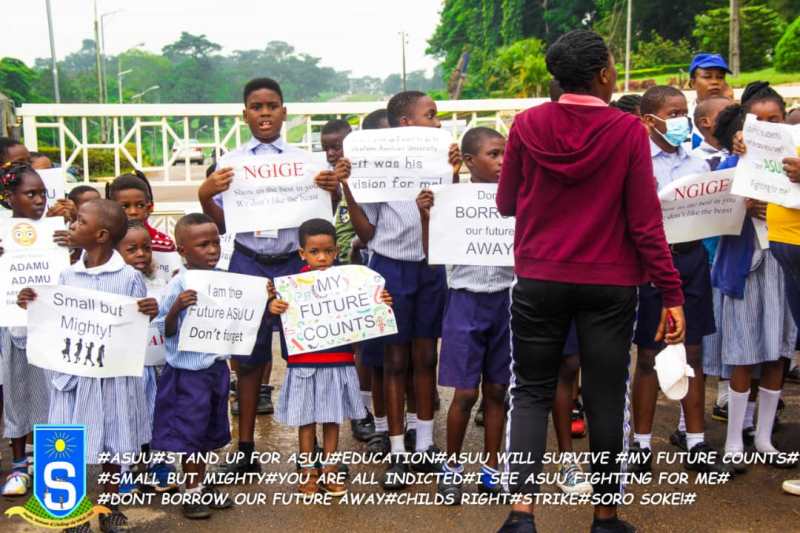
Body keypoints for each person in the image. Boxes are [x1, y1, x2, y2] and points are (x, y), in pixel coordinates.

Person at [495, 30, 685, 533]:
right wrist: (671, 292)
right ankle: (604, 517)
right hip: (610, 284)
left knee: (531, 391)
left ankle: (521, 514)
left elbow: (506, 203)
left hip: (539, 276)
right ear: (603, 73)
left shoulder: (527, 124)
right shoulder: (626, 131)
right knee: (605, 395)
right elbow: (645, 223)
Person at [198, 78, 339, 475]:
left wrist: (334, 189)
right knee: (247, 358)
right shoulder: (231, 162)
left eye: (272, 106)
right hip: (249, 262)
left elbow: (323, 216)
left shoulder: (307, 162)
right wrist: (205, 194)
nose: (264, 113)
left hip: (296, 264)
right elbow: (224, 223)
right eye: (256, 107)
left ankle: (309, 453)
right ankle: (244, 451)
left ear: (284, 111)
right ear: (244, 114)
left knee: (306, 353)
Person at [339, 90, 459, 489]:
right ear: (406, 124)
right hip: (389, 268)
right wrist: (348, 188)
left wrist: (455, 175)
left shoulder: (441, 162)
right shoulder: (376, 167)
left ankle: (424, 442)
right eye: (431, 115)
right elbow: (366, 232)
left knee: (425, 357)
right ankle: (397, 451)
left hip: (429, 268)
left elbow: (451, 218)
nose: (438, 122)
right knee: (393, 361)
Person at [17, 198, 158, 533]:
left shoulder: (128, 277)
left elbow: (136, 327)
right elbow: (54, 320)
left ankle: (110, 506)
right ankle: (72, 512)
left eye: (79, 222)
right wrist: (30, 303)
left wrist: (147, 311)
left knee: (112, 444)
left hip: (111, 378)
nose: (72, 226)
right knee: (69, 443)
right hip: (73, 377)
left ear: (101, 235)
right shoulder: (66, 274)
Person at [629, 85, 730, 476]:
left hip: (691, 261)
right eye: (672, 113)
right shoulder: (638, 162)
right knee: (650, 356)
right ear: (649, 119)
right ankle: (639, 445)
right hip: (651, 264)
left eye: (683, 111)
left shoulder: (698, 165)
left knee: (693, 353)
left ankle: (696, 441)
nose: (680, 120)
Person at [415, 127, 513, 502]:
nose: (503, 161)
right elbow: (432, 253)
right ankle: (451, 468)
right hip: (465, 302)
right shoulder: (451, 200)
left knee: (497, 390)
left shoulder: (517, 198)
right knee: (465, 393)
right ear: (470, 162)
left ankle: (491, 470)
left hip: (506, 300)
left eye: (505, 153)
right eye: (494, 154)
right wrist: (427, 216)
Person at [269, 218, 390, 497]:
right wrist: (273, 306)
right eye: (314, 251)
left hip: (338, 360)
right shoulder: (291, 287)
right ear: (302, 253)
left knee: (333, 418)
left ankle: (330, 469)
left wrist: (380, 304)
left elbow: (367, 311)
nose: (321, 257)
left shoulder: (349, 283)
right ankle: (309, 470)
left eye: (327, 251)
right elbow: (277, 312)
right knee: (307, 420)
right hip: (304, 363)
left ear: (336, 251)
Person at [714, 82, 799, 472]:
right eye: (758, 121)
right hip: (745, 266)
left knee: (778, 351)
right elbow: (714, 212)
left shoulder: (796, 163)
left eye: (775, 120)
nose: (768, 127)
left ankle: (764, 437)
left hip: (784, 265)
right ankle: (734, 438)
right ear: (744, 127)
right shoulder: (731, 162)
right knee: (743, 353)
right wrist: (742, 199)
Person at [150, 213, 235, 518]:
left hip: (216, 370)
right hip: (188, 375)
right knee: (190, 435)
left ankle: (203, 483)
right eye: (203, 245)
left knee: (211, 431)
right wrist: (176, 308)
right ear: (183, 250)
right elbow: (163, 329)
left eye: (215, 243)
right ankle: (192, 491)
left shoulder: (224, 279)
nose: (212, 250)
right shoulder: (179, 283)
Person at [0, 163, 69, 497]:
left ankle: (49, 464)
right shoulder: (1, 234)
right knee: (17, 394)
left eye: (43, 193)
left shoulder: (56, 232)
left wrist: (72, 242)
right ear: (9, 197)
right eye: (31, 194)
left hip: (51, 329)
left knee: (52, 396)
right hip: (13, 326)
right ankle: (18, 467)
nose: (40, 200)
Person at [321, 118, 378, 443]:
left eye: (338, 146)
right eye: (326, 147)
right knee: (345, 347)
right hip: (333, 272)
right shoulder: (325, 182)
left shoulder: (365, 179)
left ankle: (363, 409)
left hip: (361, 272)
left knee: (363, 347)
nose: (331, 153)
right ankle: (357, 409)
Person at [115, 220, 179, 494]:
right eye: (132, 249)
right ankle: (123, 469)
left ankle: (159, 463)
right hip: (125, 367)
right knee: (125, 415)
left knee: (158, 413)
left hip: (155, 364)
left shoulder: (160, 281)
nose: (141, 254)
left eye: (146, 248)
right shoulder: (110, 283)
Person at [106, 172, 176, 252]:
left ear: (150, 207)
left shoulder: (164, 243)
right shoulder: (107, 243)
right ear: (112, 209)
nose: (133, 212)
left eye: (140, 205)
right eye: (124, 206)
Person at [687, 53, 732, 150]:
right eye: (707, 77)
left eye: (720, 77)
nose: (715, 82)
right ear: (693, 83)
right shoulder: (683, 117)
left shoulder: (738, 115)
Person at [691, 96, 731, 169]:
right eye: (727, 113)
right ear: (705, 122)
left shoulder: (745, 152)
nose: (736, 118)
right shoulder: (693, 160)